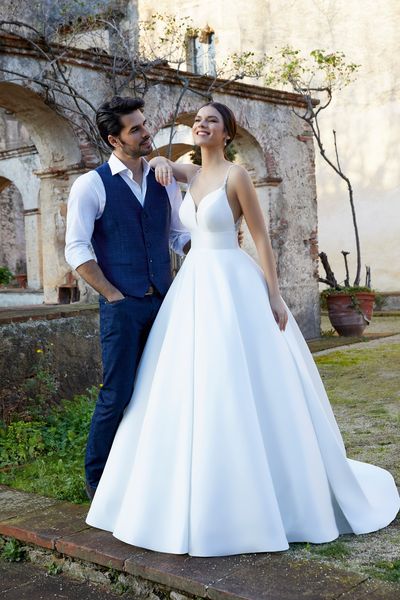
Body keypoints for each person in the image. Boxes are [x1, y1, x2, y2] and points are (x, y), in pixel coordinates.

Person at [86, 101, 399, 556]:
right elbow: (156, 162)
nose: (201, 125)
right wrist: (155, 159)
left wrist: (274, 295)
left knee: (239, 378)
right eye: (197, 120)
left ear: (227, 132)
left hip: (233, 282)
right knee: (184, 385)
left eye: (211, 120)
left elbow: (260, 238)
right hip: (192, 288)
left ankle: (265, 493)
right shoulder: (189, 174)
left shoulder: (238, 176)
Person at [65, 96, 191, 500]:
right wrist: (112, 294)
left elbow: (175, 234)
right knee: (117, 391)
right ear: (113, 139)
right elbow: (76, 248)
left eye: (144, 124)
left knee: (165, 387)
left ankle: (155, 471)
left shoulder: (162, 180)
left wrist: (205, 245)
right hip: (122, 306)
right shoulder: (90, 185)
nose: (146, 132)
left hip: (165, 301)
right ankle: (98, 481)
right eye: (135, 128)